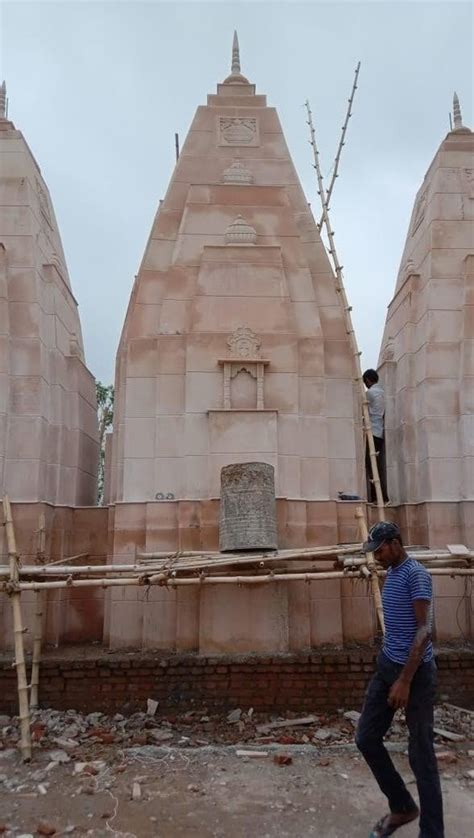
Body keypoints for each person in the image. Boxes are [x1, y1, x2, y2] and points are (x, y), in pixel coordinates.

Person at [355, 521, 444, 838]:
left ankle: (432, 832)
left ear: (394, 543)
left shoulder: (415, 574)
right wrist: (390, 671)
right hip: (388, 667)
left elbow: (424, 631)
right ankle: (403, 806)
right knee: (366, 737)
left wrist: (405, 680)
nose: (376, 556)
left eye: (379, 550)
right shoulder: (392, 572)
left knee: (421, 755)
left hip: (415, 675)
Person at [363, 369, 389, 504]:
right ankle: (380, 497)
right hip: (379, 431)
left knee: (371, 465)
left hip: (372, 431)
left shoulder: (370, 393)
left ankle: (378, 497)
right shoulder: (382, 393)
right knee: (376, 464)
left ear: (368, 380)